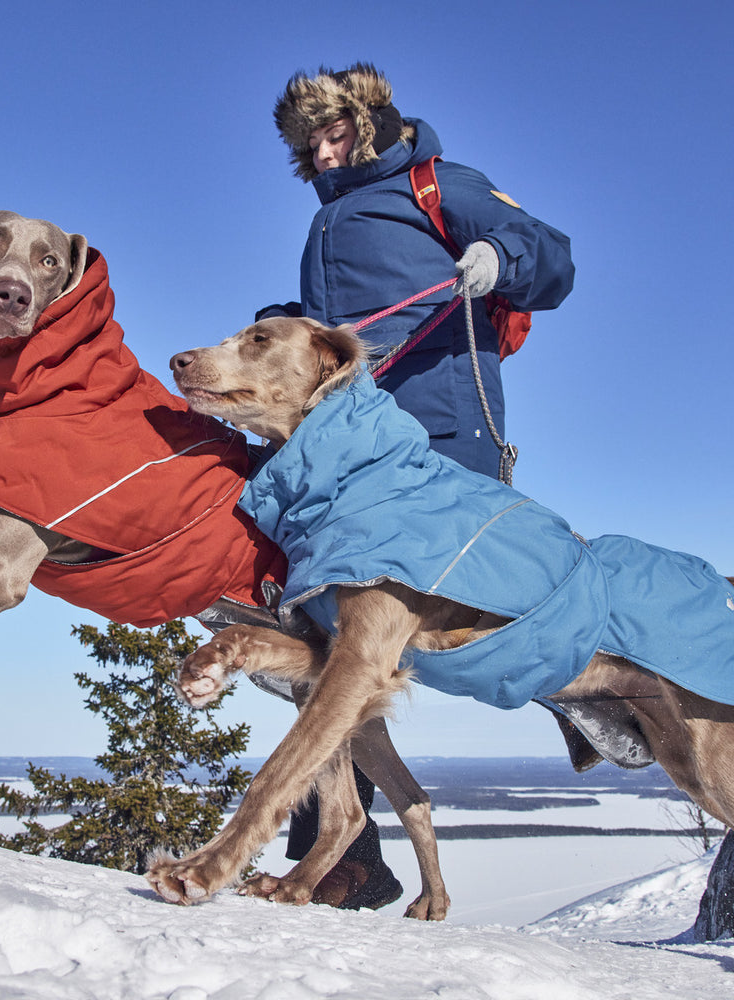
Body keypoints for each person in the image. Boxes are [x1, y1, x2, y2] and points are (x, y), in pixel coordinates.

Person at [257, 62, 576, 909]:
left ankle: (597, 692)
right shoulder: (327, 223)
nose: (324, 155)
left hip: (437, 435)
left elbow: (552, 256)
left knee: (464, 611)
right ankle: (343, 856)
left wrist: (495, 257)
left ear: (368, 124)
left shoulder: (438, 184)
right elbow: (350, 331)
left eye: (335, 134)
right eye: (309, 145)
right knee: (329, 632)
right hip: (358, 449)